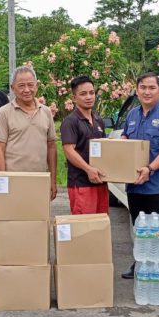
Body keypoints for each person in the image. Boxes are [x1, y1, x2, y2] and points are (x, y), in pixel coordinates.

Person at [120, 72, 159, 279]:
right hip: (135, 185)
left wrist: (150, 168)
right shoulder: (132, 115)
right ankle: (140, 264)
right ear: (137, 91)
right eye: (143, 88)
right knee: (139, 227)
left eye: (151, 88)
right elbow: (125, 140)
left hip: (158, 185)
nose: (147, 92)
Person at [0, 66, 58, 200]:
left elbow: (51, 146)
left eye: (30, 85)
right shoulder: (4, 113)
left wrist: (52, 180)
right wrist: (3, 181)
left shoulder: (46, 112)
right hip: (14, 181)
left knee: (38, 219)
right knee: (13, 219)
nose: (27, 90)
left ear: (37, 86)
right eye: (21, 86)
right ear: (13, 88)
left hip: (40, 180)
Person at [60, 75, 108, 214]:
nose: (89, 97)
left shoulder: (98, 120)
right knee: (83, 229)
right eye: (83, 94)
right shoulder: (70, 122)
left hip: (100, 181)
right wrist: (88, 169)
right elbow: (69, 150)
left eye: (92, 93)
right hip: (81, 184)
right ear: (74, 98)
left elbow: (104, 148)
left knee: (100, 226)